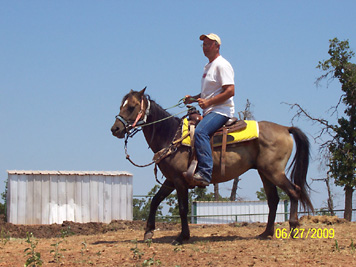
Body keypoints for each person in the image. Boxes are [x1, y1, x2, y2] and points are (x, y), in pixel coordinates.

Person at [184, 33, 235, 187]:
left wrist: (208, 102)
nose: (204, 48)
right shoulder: (208, 67)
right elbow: (209, 93)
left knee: (200, 132)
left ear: (217, 46)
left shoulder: (222, 65)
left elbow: (230, 91)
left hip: (221, 111)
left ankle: (205, 172)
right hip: (211, 110)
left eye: (208, 44)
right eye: (203, 45)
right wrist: (193, 99)